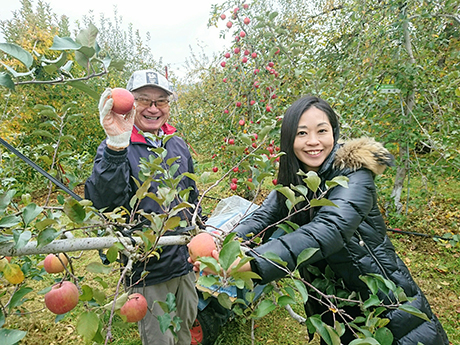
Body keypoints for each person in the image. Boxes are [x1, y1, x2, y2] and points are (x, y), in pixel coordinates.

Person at [191, 95, 449, 344]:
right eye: (302, 133)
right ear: (289, 139)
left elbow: (328, 230)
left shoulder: (355, 176)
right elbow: (264, 216)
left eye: (321, 131)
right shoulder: (297, 180)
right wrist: (220, 243)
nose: (313, 141)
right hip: (332, 304)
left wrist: (253, 264)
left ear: (334, 133)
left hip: (383, 303)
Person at [85, 69, 199, 345]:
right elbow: (107, 205)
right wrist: (116, 145)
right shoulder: (116, 147)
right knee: (161, 339)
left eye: (161, 101)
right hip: (149, 270)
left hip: (183, 263)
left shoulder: (177, 145)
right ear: (130, 104)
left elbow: (191, 199)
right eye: (143, 100)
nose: (153, 108)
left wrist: (201, 238)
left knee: (185, 331)